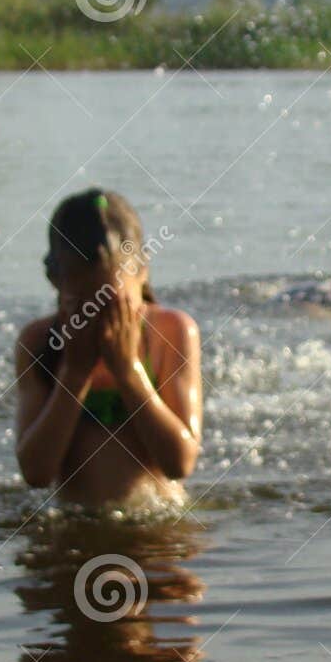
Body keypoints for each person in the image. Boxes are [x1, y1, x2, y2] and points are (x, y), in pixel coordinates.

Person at [15, 189, 201, 507]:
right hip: (74, 528)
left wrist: (129, 372)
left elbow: (179, 464)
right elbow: (36, 473)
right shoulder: (37, 342)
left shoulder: (171, 332)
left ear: (142, 274)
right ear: (56, 282)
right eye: (85, 304)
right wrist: (74, 374)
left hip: (158, 533)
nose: (98, 316)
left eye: (111, 303)